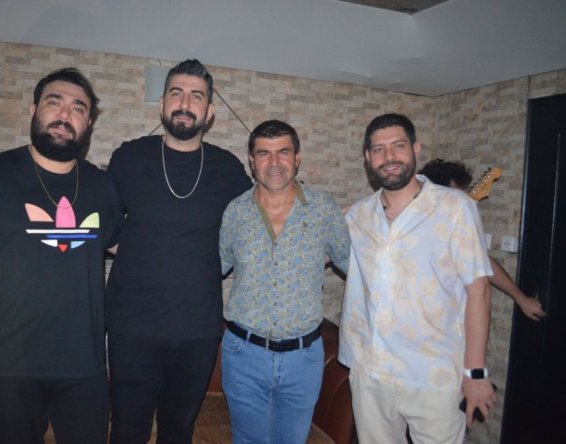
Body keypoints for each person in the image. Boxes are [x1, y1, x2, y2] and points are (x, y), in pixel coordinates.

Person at [0, 67, 121, 444]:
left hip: (84, 369)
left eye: (79, 108)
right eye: (55, 102)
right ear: (34, 110)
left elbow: (130, 249)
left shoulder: (103, 187)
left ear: (88, 125)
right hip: (5, 368)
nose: (66, 114)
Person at [105, 59, 252, 443]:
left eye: (196, 96)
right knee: (127, 431)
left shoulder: (227, 168)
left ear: (210, 111)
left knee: (178, 431)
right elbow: (102, 224)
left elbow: (253, 229)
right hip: (130, 328)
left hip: (197, 332)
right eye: (177, 93)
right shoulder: (129, 157)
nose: (185, 103)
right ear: (162, 104)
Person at [339, 113, 497, 443]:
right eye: (378, 149)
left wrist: (475, 371)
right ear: (367, 158)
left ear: (415, 149)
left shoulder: (455, 208)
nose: (389, 157)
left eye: (398, 146)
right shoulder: (357, 215)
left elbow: (479, 291)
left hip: (433, 377)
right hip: (371, 373)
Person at [218, 120, 350, 443]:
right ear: (252, 161)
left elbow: (355, 267)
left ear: (297, 157)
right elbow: (213, 267)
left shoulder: (324, 210)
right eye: (264, 153)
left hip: (303, 359)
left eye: (283, 152)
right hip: (244, 354)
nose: (274, 162)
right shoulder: (235, 212)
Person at [419, 159, 545, 321]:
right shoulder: (413, 222)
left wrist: (521, 299)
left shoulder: (451, 224)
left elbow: (482, 262)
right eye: (458, 192)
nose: (462, 198)